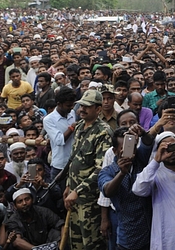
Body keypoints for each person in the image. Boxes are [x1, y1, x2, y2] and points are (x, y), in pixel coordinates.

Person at [63, 89, 112, 250]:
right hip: (74, 198)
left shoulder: (103, 132)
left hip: (90, 201)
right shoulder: (79, 127)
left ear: (98, 109)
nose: (82, 109)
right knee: (75, 242)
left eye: (87, 106)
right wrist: (69, 185)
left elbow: (101, 169)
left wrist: (77, 190)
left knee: (90, 244)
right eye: (81, 105)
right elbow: (74, 160)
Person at [98, 126, 152, 250]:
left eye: (132, 147)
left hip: (149, 233)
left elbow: (148, 142)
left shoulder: (141, 160)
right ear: (115, 150)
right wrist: (121, 173)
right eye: (124, 149)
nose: (129, 152)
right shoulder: (108, 172)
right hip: (128, 236)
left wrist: (143, 133)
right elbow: (107, 191)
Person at [43, 87, 76, 184]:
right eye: (68, 105)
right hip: (60, 166)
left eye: (72, 105)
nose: (71, 108)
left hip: (74, 164)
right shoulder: (49, 119)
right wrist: (72, 128)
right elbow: (59, 140)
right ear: (59, 104)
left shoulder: (72, 113)